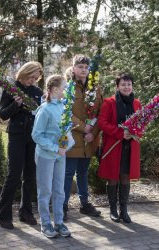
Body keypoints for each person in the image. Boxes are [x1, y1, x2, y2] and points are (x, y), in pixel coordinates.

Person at [0, 61, 43, 229]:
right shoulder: (11, 89)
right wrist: (15, 105)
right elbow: (3, 115)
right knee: (14, 174)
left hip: (33, 136)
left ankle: (26, 212)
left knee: (30, 176)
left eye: (37, 78)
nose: (33, 80)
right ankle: (4, 215)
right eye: (32, 77)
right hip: (17, 135)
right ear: (25, 73)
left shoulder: (37, 91)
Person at [32, 75, 74, 238]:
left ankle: (59, 222)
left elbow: (66, 130)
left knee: (59, 190)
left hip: (60, 155)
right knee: (45, 191)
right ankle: (45, 224)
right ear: (55, 89)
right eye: (64, 87)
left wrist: (66, 146)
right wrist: (55, 148)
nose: (66, 90)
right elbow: (36, 135)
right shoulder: (45, 109)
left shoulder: (63, 107)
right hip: (46, 156)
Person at [63, 54, 103, 220]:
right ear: (73, 68)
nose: (84, 70)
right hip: (72, 138)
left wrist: (92, 133)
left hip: (89, 141)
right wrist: (82, 127)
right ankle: (62, 205)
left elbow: (101, 113)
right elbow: (65, 113)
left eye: (86, 67)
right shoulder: (68, 87)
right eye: (80, 67)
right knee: (67, 173)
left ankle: (84, 204)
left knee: (83, 173)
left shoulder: (96, 88)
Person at [97, 73, 141, 223]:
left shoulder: (137, 103)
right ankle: (113, 210)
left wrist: (136, 132)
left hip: (130, 147)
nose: (126, 87)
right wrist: (120, 133)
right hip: (114, 145)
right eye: (123, 84)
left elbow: (142, 124)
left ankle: (124, 210)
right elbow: (102, 122)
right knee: (113, 177)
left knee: (125, 176)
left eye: (129, 84)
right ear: (117, 86)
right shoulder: (109, 102)